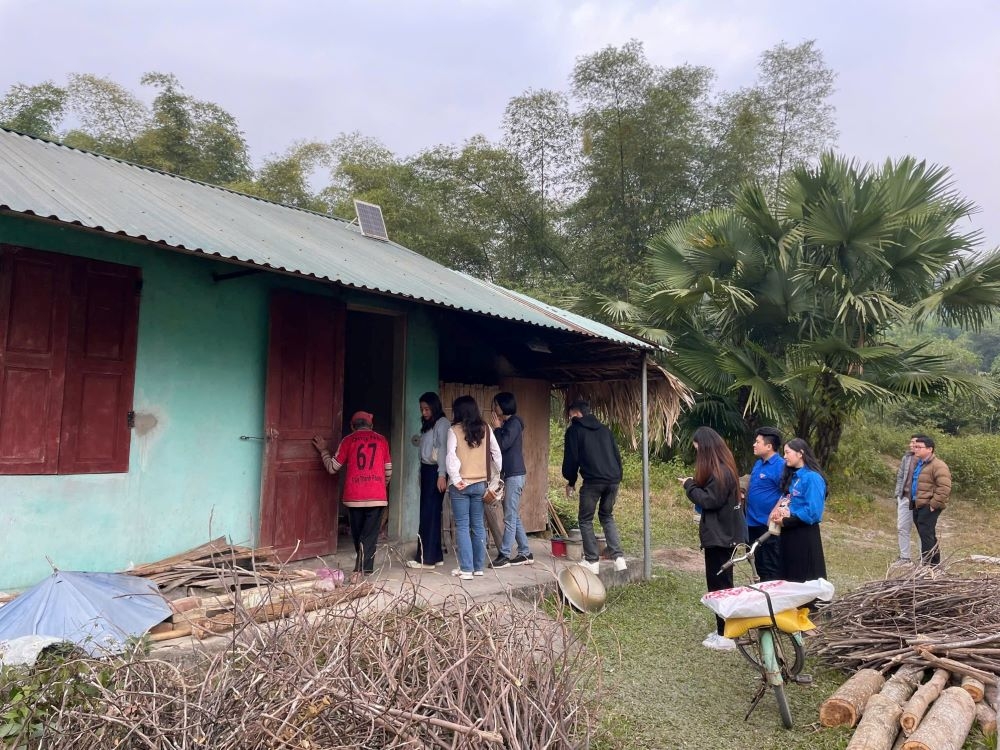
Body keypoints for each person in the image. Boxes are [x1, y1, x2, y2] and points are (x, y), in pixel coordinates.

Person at [679, 426, 746, 651]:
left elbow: (709, 501)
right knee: (720, 583)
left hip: (721, 537)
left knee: (720, 586)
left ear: (706, 450)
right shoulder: (724, 469)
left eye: (698, 451)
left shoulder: (720, 472)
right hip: (723, 536)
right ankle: (724, 630)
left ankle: (726, 636)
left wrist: (689, 486)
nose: (697, 455)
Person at [312, 411, 392, 583]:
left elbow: (332, 468)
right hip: (377, 495)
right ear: (371, 426)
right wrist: (380, 486)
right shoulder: (382, 440)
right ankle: (363, 568)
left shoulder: (348, 440)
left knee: (358, 534)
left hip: (354, 496)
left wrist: (324, 450)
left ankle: (360, 569)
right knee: (369, 534)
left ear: (352, 426)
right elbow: (388, 470)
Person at [561, 400, 627, 574]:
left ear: (576, 414)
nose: (569, 419)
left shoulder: (574, 431)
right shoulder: (605, 430)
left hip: (593, 482)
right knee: (607, 516)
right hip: (613, 480)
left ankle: (592, 561)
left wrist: (571, 481)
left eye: (570, 415)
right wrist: (617, 477)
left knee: (585, 519)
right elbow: (616, 455)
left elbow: (571, 459)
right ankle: (618, 557)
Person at [445, 395, 501, 580]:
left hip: (461, 485)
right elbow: (497, 455)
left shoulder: (453, 430)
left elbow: (450, 457)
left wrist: (456, 478)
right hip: (480, 484)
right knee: (478, 526)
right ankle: (478, 567)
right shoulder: (486, 428)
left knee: (462, 526)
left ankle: (466, 569)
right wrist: (494, 476)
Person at [769, 438, 827, 583]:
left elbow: (813, 512)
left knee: (803, 577)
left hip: (804, 534)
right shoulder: (793, 477)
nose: (784, 456)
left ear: (800, 453)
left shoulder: (812, 478)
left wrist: (788, 520)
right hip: (789, 532)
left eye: (787, 452)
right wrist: (780, 512)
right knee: (788, 574)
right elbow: (789, 500)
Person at [488, 392, 534, 569]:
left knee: (509, 516)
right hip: (511, 474)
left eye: (496, 405)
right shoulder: (509, 423)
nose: (494, 408)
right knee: (512, 514)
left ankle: (505, 554)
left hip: (515, 474)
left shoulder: (514, 423)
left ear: (504, 406)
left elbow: (503, 444)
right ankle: (525, 552)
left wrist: (497, 428)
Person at [406, 392, 450, 569]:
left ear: (434, 407)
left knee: (428, 514)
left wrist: (441, 474)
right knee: (429, 513)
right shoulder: (429, 424)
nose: (424, 412)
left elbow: (443, 450)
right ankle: (435, 555)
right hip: (427, 470)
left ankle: (425, 559)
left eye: (427, 409)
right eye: (422, 409)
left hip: (435, 471)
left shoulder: (442, 423)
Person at [745, 427, 785, 581]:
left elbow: (787, 494)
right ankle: (760, 591)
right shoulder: (758, 464)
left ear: (769, 446)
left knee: (769, 564)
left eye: (758, 442)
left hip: (767, 525)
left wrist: (775, 512)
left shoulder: (781, 466)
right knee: (754, 559)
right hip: (751, 522)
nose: (754, 445)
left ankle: (772, 596)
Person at [909, 435, 951, 566]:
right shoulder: (919, 463)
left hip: (928, 505)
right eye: (915, 447)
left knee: (926, 535)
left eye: (919, 447)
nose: (915, 449)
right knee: (926, 534)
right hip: (917, 504)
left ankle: (926, 565)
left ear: (930, 449)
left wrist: (933, 505)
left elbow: (944, 487)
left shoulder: (938, 465)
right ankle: (934, 563)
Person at [892, 435, 919, 562]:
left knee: (921, 529)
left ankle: (924, 558)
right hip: (905, 497)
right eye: (911, 442)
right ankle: (904, 557)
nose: (911, 445)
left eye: (914, 443)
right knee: (902, 527)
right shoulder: (907, 458)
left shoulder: (926, 460)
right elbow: (901, 476)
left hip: (919, 500)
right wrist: (898, 494)